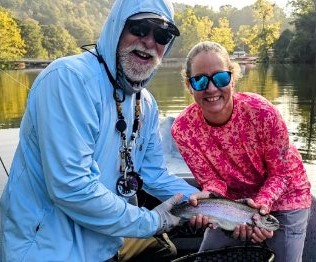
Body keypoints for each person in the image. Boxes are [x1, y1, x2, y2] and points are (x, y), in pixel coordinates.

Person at [0, 1, 209, 261]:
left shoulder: (147, 103)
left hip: (106, 244)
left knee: (164, 250)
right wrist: (152, 221)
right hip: (46, 250)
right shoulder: (68, 80)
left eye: (162, 35)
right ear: (117, 27)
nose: (148, 42)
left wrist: (208, 204)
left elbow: (154, 174)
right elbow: (72, 187)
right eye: (140, 28)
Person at [171, 41, 312, 262]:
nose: (211, 88)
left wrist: (259, 209)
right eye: (199, 80)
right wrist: (206, 199)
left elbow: (282, 173)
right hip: (231, 205)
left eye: (220, 78)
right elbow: (212, 181)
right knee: (206, 256)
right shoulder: (182, 129)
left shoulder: (263, 113)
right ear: (189, 86)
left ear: (233, 78)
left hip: (287, 197)